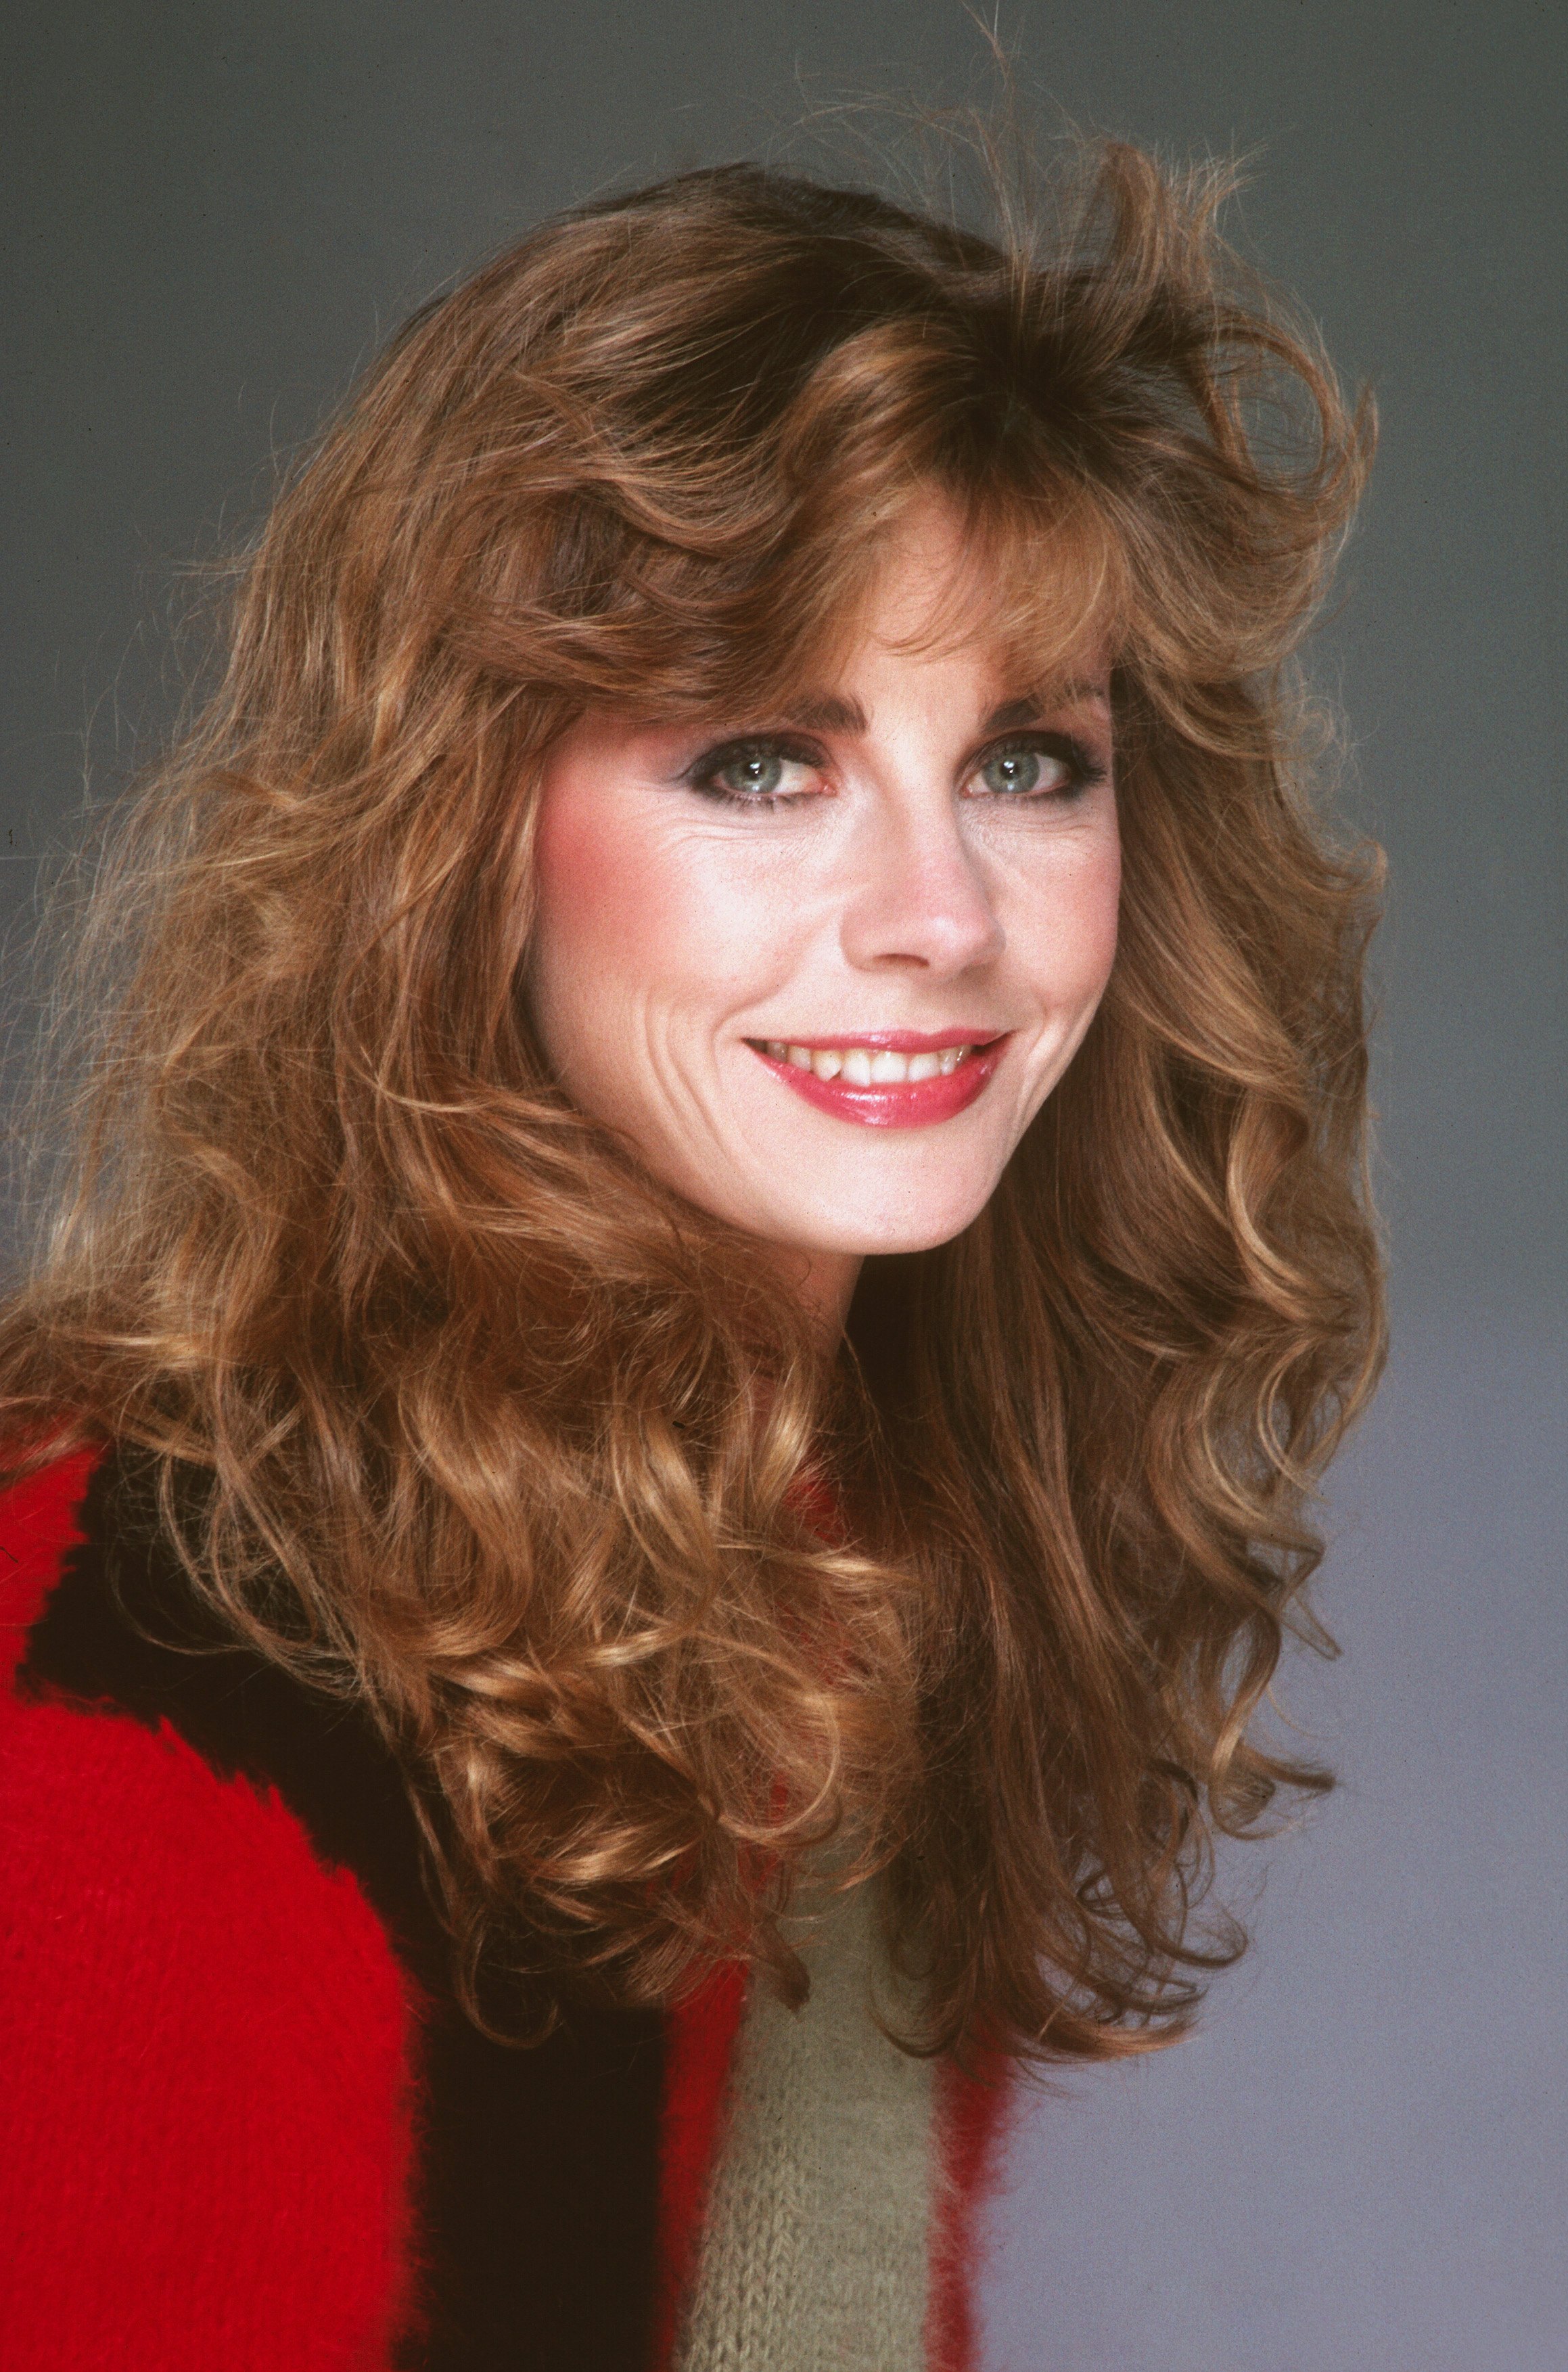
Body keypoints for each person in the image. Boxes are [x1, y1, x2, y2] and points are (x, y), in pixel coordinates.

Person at [0, 140, 1381, 2371]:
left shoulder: (856, 1582)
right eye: (763, 761)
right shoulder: (162, 1655)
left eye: (1030, 758)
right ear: (462, 842)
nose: (939, 914)